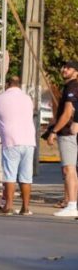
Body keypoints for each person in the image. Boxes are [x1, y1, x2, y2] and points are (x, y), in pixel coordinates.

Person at [0, 76, 35, 216]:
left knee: (10, 175)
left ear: (7, 84)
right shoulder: (27, 98)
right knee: (26, 176)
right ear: (18, 85)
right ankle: (25, 208)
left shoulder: (0, 99)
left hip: (11, 141)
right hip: (29, 141)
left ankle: (8, 206)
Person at [48, 61, 78, 217]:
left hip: (68, 133)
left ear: (76, 72)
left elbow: (67, 113)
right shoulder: (68, 87)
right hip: (70, 131)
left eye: (69, 68)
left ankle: (72, 204)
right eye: (64, 67)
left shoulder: (72, 87)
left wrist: (54, 130)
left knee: (69, 168)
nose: (65, 69)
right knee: (71, 169)